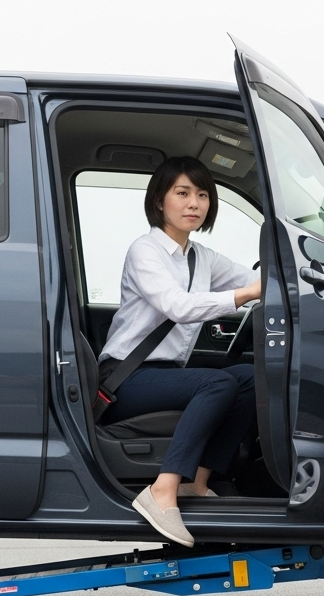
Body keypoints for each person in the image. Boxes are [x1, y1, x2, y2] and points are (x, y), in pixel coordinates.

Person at [98, 156, 262, 547]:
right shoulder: (145, 251)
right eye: (182, 193)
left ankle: (197, 483)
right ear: (160, 201)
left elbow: (257, 279)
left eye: (203, 195)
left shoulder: (201, 257)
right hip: (126, 378)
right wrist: (248, 295)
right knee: (217, 384)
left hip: (166, 375)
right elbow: (178, 306)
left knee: (251, 379)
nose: (194, 203)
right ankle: (162, 490)